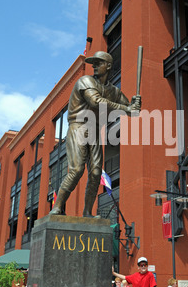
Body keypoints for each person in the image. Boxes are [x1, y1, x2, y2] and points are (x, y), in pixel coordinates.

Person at [49, 51, 141, 218]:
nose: (95, 66)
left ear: (108, 66)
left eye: (99, 63)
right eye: (94, 63)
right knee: (76, 169)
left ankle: (87, 212)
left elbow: (130, 110)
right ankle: (57, 207)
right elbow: (95, 101)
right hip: (79, 126)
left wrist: (135, 104)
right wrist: (127, 108)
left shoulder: (113, 91)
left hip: (95, 129)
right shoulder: (85, 81)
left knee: (96, 173)